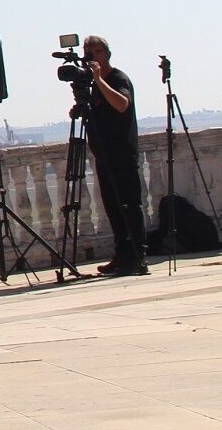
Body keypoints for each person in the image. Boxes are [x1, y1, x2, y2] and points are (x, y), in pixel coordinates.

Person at [79, 35, 147, 276]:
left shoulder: (117, 78)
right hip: (103, 155)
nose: (92, 57)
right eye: (88, 53)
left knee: (129, 206)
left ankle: (138, 256)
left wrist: (98, 80)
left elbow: (121, 104)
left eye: (96, 52)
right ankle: (121, 255)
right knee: (113, 208)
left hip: (122, 153)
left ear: (107, 54)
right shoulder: (92, 84)